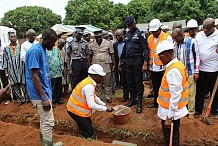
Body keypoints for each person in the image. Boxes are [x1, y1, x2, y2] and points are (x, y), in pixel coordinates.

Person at [25, 28, 63, 146]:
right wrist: (44, 98)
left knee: (44, 120)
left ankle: (45, 143)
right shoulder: (35, 51)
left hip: (44, 91)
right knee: (48, 121)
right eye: (52, 42)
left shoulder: (42, 49)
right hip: (39, 94)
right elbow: (34, 76)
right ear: (45, 39)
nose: (53, 45)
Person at [67, 64, 113, 139]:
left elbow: (94, 97)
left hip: (75, 109)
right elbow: (91, 105)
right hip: (75, 111)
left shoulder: (88, 82)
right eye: (100, 77)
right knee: (89, 132)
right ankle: (87, 139)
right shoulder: (89, 86)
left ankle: (83, 130)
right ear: (95, 76)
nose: (102, 79)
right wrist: (106, 109)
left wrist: (104, 104)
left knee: (87, 124)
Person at [156, 40, 189, 146]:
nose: (160, 60)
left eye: (161, 57)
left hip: (170, 111)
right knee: (174, 134)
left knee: (170, 137)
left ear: (167, 54)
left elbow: (175, 95)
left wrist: (169, 118)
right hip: (172, 109)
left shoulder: (173, 71)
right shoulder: (177, 64)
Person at [118, 16, 148, 113]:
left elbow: (145, 49)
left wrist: (145, 63)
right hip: (128, 61)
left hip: (137, 61)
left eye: (131, 25)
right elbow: (124, 49)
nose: (130, 27)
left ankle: (139, 101)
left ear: (135, 23)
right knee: (129, 81)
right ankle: (133, 99)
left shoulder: (140, 34)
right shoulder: (126, 35)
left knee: (138, 82)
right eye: (128, 25)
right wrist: (120, 61)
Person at [172, 28, 200, 119]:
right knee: (181, 92)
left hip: (190, 71)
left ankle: (191, 112)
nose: (175, 41)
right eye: (174, 39)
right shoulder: (175, 43)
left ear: (181, 35)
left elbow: (197, 57)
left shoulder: (192, 42)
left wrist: (196, 71)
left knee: (191, 93)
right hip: (179, 73)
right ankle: (182, 110)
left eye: (176, 38)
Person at [147, 18, 173, 108]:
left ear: (160, 29)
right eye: (152, 31)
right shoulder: (150, 38)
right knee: (155, 86)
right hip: (153, 67)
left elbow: (171, 53)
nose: (154, 33)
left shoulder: (167, 37)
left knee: (165, 87)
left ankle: (164, 104)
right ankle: (156, 103)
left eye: (155, 31)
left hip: (163, 67)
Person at [195, 18, 218, 117]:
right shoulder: (199, 35)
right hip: (201, 68)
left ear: (213, 27)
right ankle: (198, 109)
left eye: (207, 28)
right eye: (203, 27)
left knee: (214, 91)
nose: (204, 30)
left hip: (213, 69)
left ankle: (214, 111)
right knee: (199, 90)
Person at [89, 30, 115, 103]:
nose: (98, 39)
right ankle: (98, 97)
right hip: (96, 66)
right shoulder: (91, 44)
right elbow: (90, 56)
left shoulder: (108, 43)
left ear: (102, 36)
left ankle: (108, 97)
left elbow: (112, 54)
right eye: (96, 37)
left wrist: (114, 64)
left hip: (106, 65)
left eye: (99, 37)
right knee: (97, 83)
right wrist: (89, 65)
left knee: (108, 82)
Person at [3, 32, 27, 104]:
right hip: (12, 70)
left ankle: (26, 99)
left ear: (16, 38)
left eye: (14, 36)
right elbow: (5, 60)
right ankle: (20, 99)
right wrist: (6, 71)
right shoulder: (6, 49)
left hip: (21, 69)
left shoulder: (21, 47)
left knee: (24, 85)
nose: (13, 38)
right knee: (14, 86)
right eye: (11, 37)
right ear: (9, 38)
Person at [114, 29, 129, 102]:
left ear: (123, 35)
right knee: (123, 81)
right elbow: (115, 56)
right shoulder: (115, 45)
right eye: (116, 36)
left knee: (130, 80)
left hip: (128, 63)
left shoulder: (127, 43)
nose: (117, 37)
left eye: (119, 35)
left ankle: (133, 96)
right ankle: (125, 95)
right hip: (120, 65)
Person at [47, 44, 64, 108]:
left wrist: (62, 68)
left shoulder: (56, 50)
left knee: (59, 86)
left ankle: (58, 98)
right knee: (52, 87)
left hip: (58, 71)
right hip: (51, 72)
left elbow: (60, 58)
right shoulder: (45, 51)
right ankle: (53, 101)